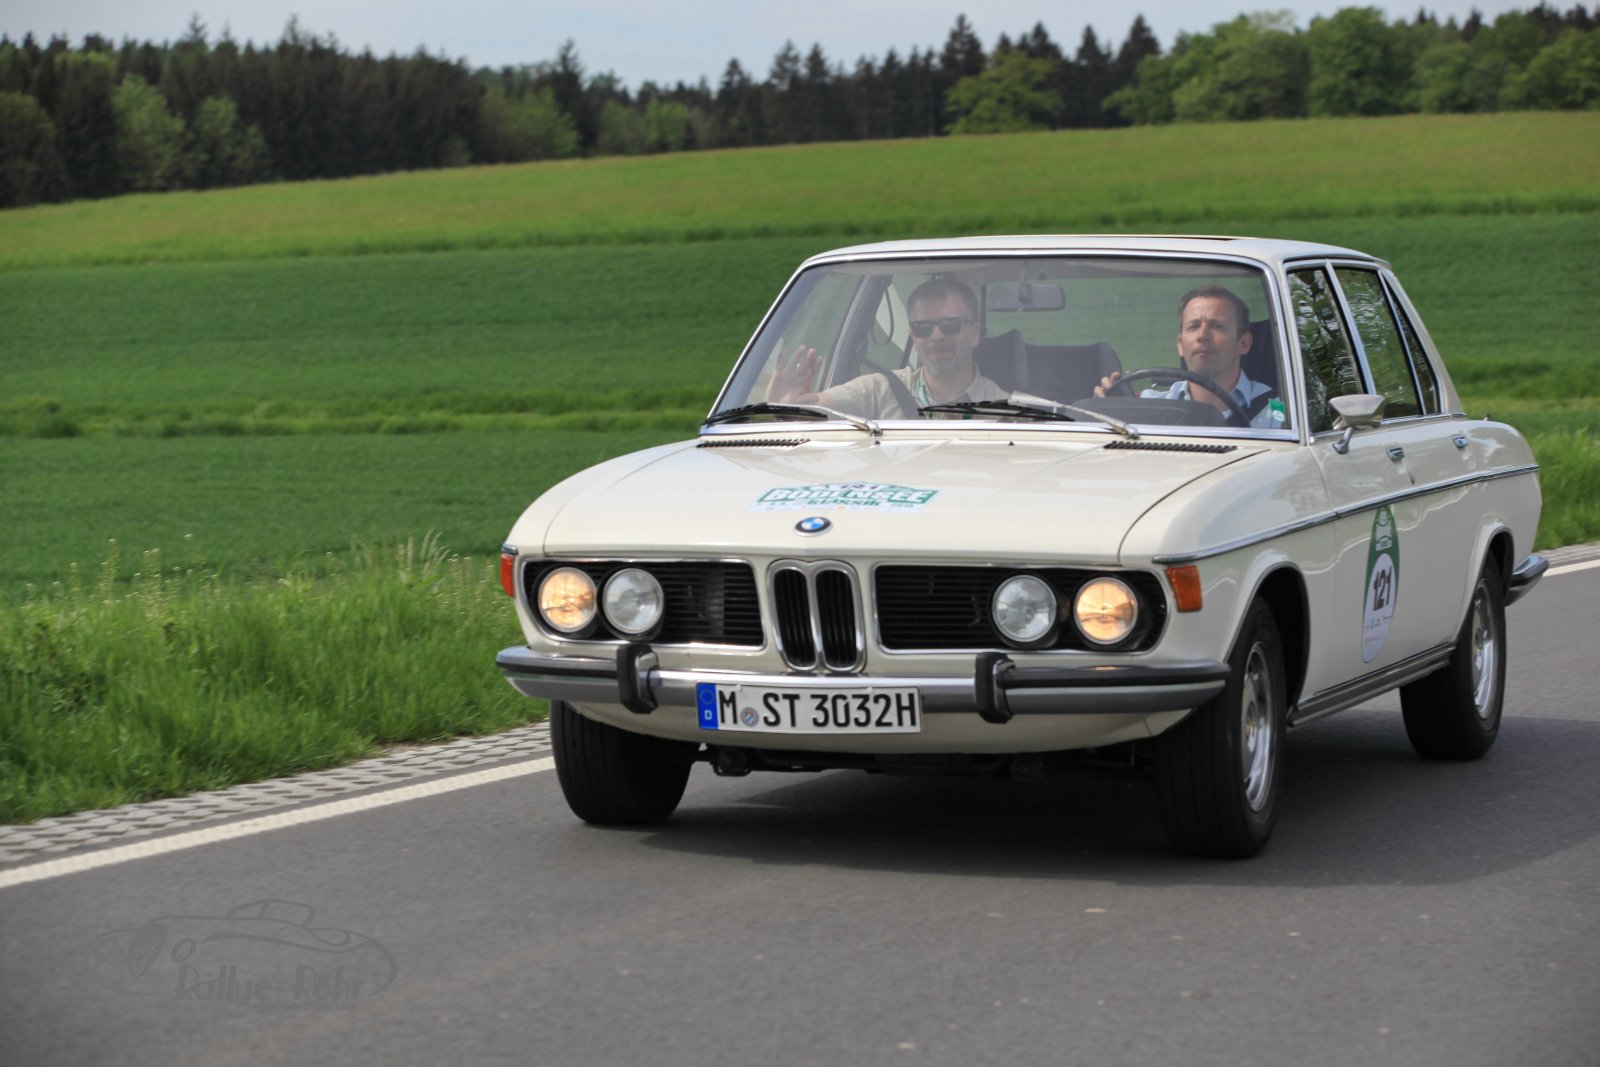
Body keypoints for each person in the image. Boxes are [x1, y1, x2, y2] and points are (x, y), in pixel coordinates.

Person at [765, 278, 1009, 418]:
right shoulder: (879, 390)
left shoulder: (1008, 411)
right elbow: (818, 408)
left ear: (975, 333)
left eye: (949, 325)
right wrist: (787, 405)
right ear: (913, 336)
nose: (936, 336)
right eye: (923, 328)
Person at [1094, 285, 1285, 428]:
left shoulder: (1278, 411)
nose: (1202, 335)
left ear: (1244, 343)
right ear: (1180, 344)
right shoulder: (1149, 406)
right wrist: (1113, 409)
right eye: (1193, 327)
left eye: (1217, 326)